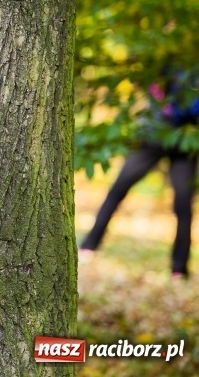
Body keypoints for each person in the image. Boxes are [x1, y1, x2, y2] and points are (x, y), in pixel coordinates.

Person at [80, 70, 199, 278]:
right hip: (153, 133)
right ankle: (89, 245)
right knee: (118, 189)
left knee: (183, 204)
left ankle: (179, 269)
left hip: (184, 140)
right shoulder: (165, 58)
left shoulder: (189, 56)